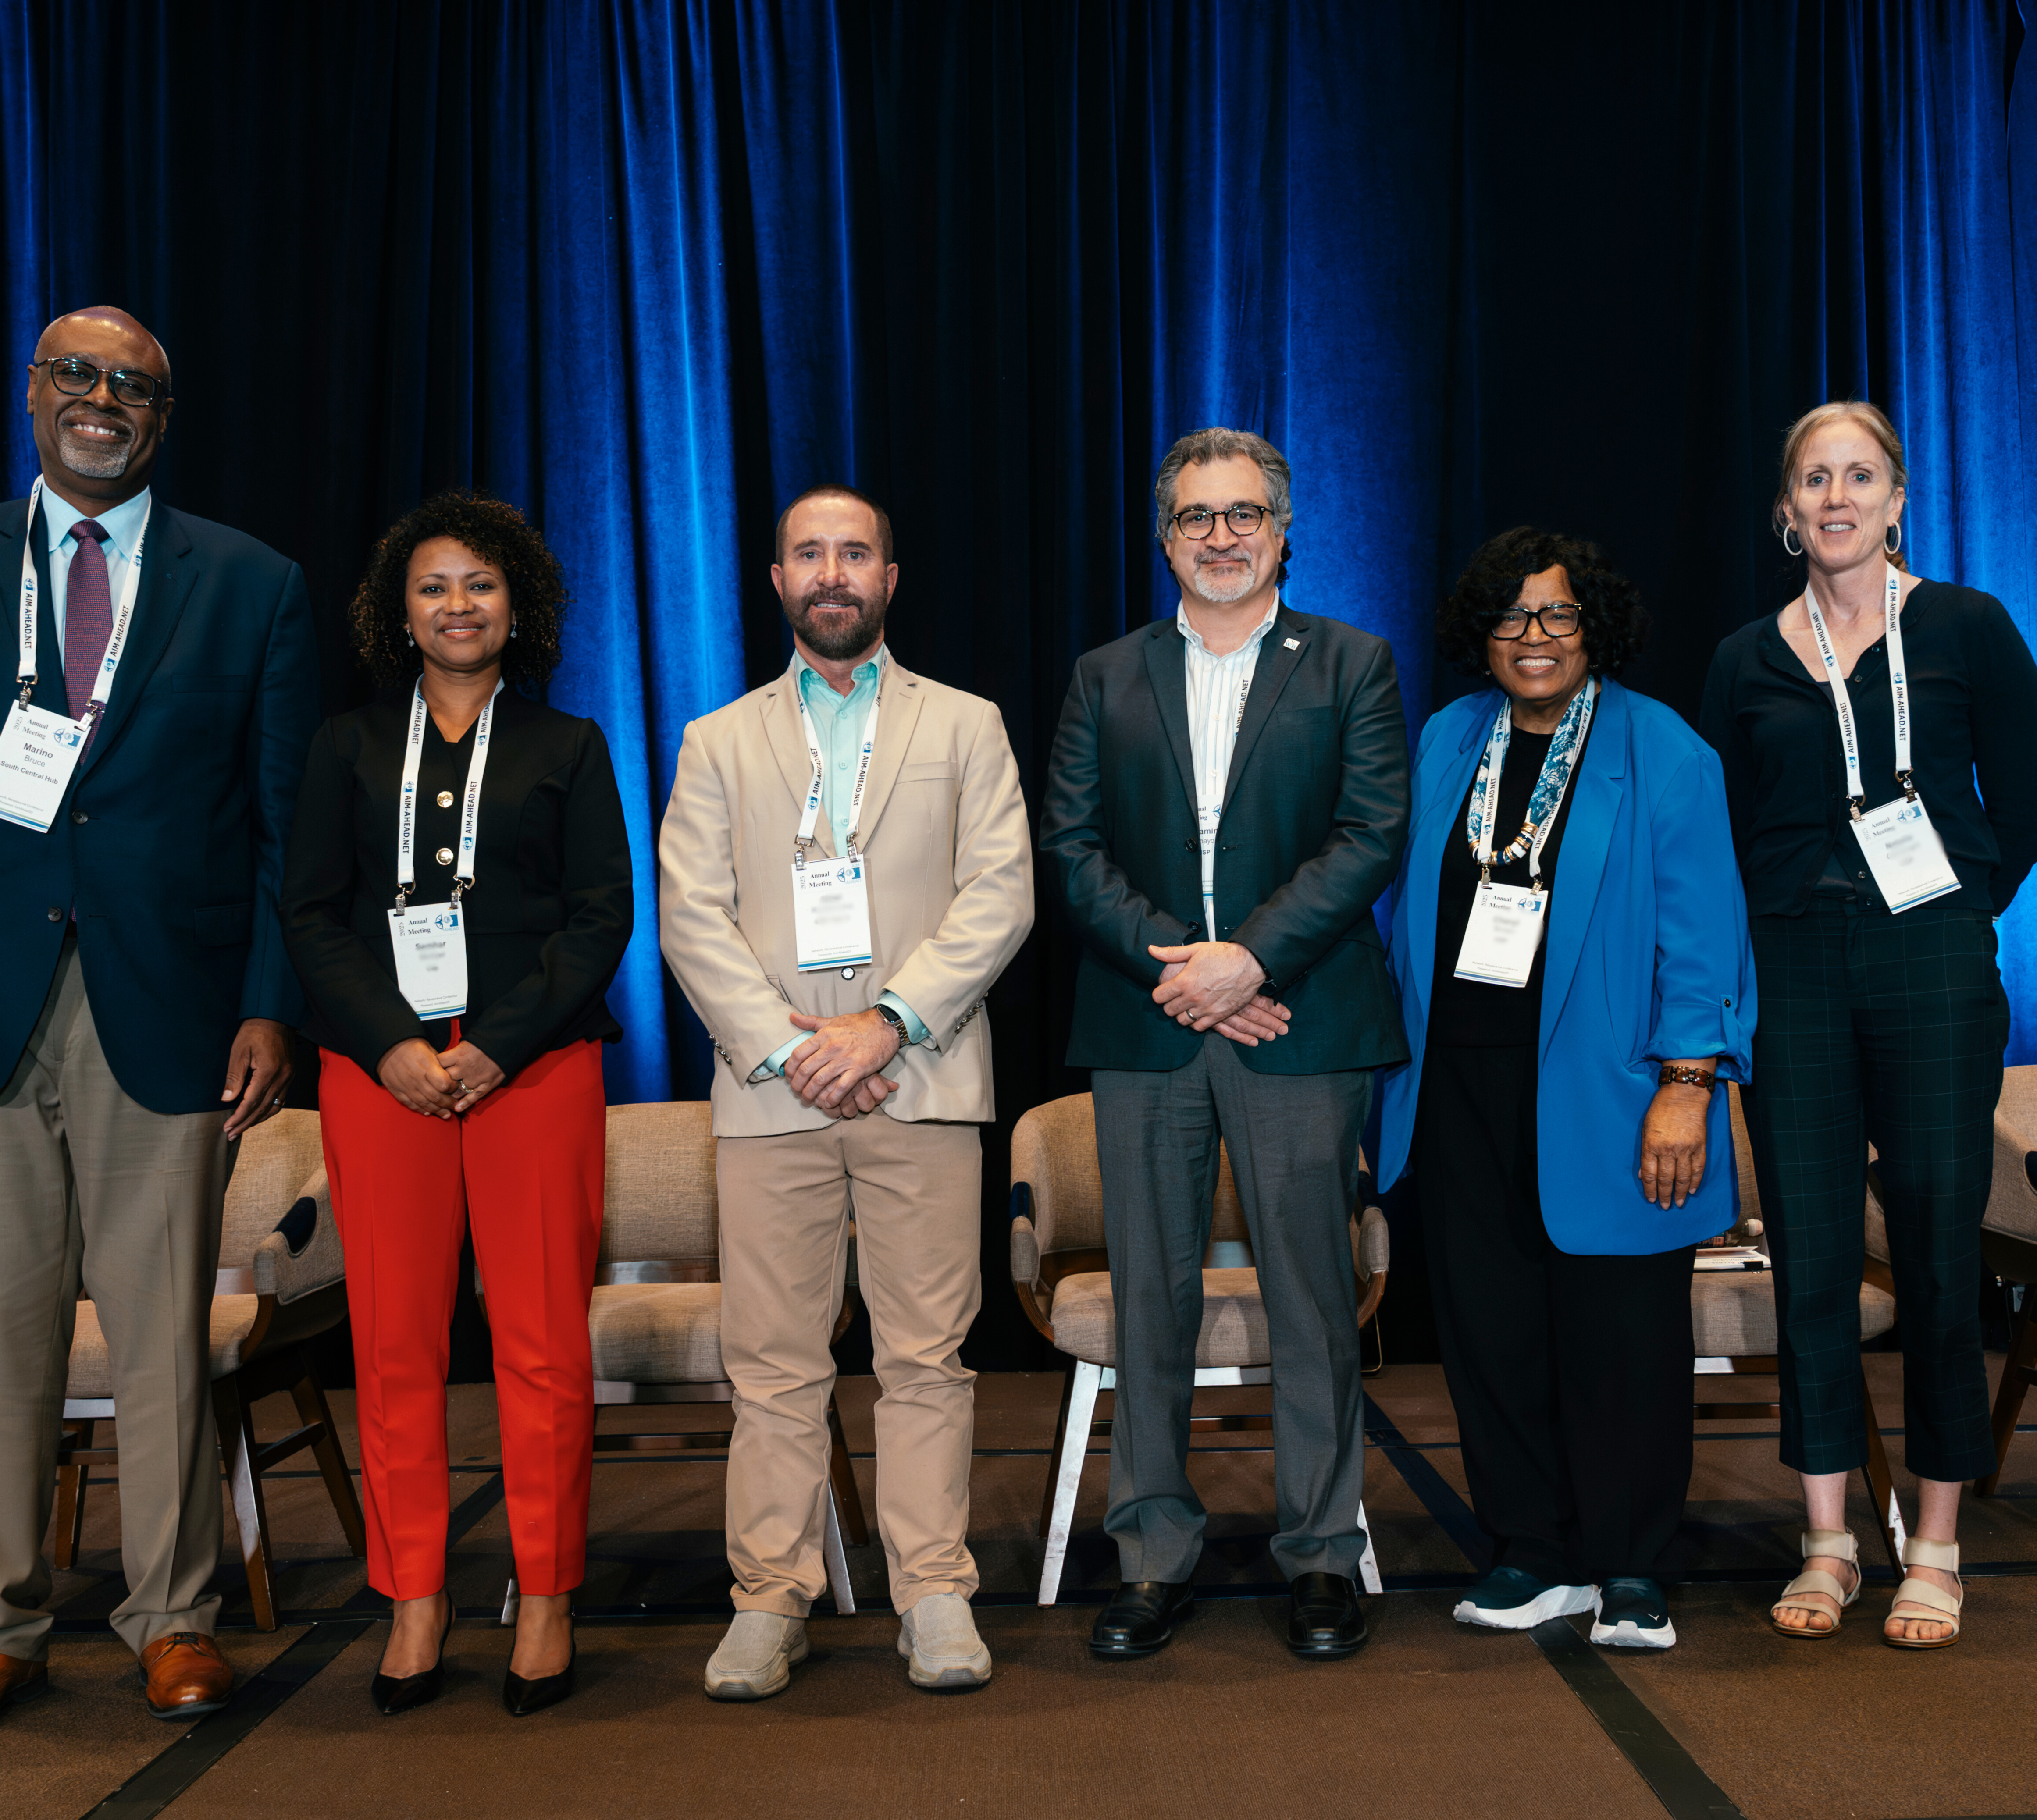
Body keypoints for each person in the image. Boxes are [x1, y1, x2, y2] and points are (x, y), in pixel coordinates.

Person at [0, 307, 316, 1746]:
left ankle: (173, 1622)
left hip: (168, 1010)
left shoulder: (252, 582)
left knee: (163, 1337)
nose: (103, 400)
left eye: (134, 386)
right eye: (78, 376)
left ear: (162, 417)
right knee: (6, 1336)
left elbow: (282, 829)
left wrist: (268, 1005)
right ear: (33, 394)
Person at [1040, 426, 1409, 1662]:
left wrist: (1249, 961)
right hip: (1148, 1032)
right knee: (1151, 1303)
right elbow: (1072, 848)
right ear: (1164, 538)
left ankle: (1321, 1552)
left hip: (1300, 1021)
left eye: (1244, 513)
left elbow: (1369, 835)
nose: (1221, 535)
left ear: (1284, 530)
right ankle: (1150, 1554)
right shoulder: (1105, 674)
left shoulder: (1354, 663)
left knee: (1313, 1302)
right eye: (1197, 516)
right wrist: (1183, 971)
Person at [658, 483, 1032, 1700]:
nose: (833, 572)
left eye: (854, 552)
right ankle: (770, 1599)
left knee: (927, 1356)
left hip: (920, 1079)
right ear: (776, 581)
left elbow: (1000, 896)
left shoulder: (966, 726)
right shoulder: (717, 739)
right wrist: (787, 1048)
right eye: (809, 554)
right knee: (773, 1365)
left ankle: (933, 1593)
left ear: (890, 575)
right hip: (773, 1099)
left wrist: (885, 1028)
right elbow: (690, 916)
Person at [1701, 400, 2037, 1649]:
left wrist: (1949, 922)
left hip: (1929, 962)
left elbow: (2019, 814)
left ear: (1898, 498)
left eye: (1859, 476)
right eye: (1813, 479)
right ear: (1786, 510)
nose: (1836, 498)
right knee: (1805, 1261)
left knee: (1942, 1264)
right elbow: (1729, 834)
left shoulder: (1967, 627)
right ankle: (1829, 1539)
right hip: (1789, 967)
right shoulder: (1746, 657)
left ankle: (1938, 1544)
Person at [281, 495, 631, 1717]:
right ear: (399, 612)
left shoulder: (570, 744)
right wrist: (387, 1044)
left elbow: (601, 919)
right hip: (380, 1082)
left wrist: (494, 1046)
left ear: (518, 604)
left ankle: (545, 1595)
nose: (459, 606)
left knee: (540, 1345)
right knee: (393, 1347)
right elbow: (311, 915)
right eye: (434, 586)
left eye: (481, 584)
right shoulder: (342, 748)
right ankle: (414, 1596)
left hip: (530, 1074)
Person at [1378, 526, 1756, 1653]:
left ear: (1595, 629)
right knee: (1491, 1334)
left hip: (1615, 1091)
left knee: (1622, 1339)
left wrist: (1688, 1086)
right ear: (1478, 636)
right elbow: (1400, 910)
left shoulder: (1664, 751)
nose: (1532, 639)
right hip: (1459, 1088)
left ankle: (1630, 1565)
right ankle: (1529, 1550)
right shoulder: (1451, 739)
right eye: (1509, 618)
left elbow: (1703, 939)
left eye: (1556, 616)